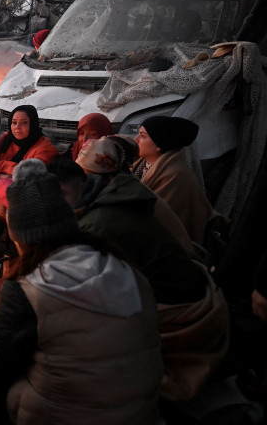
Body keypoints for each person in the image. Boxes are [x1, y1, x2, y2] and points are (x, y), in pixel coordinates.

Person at [0, 159, 162, 425]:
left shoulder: (30, 289)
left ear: (19, 238)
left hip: (69, 421)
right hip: (142, 415)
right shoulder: (118, 263)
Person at [69, 138, 229, 401]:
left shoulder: (104, 218)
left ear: (92, 177)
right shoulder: (128, 191)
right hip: (192, 287)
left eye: (80, 177)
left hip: (178, 315)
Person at [133, 116, 221, 246]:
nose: (136, 139)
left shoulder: (174, 176)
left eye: (142, 136)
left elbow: (156, 221)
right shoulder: (141, 164)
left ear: (159, 145)